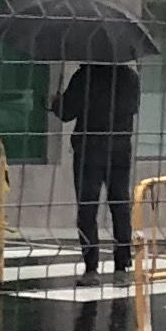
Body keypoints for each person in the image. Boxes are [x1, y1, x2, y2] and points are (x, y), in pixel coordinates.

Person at [53, 57, 142, 279]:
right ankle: (122, 264)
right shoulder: (130, 78)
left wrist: (56, 102)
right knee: (120, 205)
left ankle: (91, 266)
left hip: (89, 149)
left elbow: (67, 112)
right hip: (120, 148)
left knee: (87, 207)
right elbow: (132, 108)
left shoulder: (84, 77)